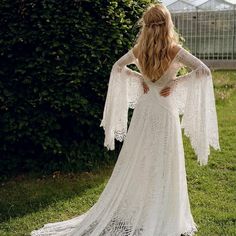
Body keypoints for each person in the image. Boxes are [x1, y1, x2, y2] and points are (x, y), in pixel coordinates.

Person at [31, 3, 220, 236]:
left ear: (146, 25)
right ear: (168, 23)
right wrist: (174, 83)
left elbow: (117, 66)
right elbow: (204, 71)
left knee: (141, 159)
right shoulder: (174, 49)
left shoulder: (139, 50)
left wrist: (140, 77)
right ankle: (161, 211)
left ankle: (144, 207)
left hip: (144, 111)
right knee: (163, 161)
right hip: (164, 110)